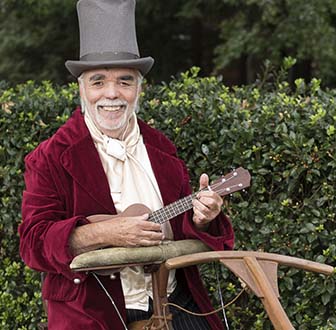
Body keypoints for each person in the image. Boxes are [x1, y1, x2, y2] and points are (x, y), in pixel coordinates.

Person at [19, 1, 235, 329]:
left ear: (138, 88)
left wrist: (203, 218)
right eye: (98, 81)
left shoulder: (161, 148)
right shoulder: (50, 156)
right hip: (93, 312)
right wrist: (102, 232)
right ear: (81, 88)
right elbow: (33, 243)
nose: (112, 94)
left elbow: (183, 228)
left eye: (124, 80)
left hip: (174, 303)